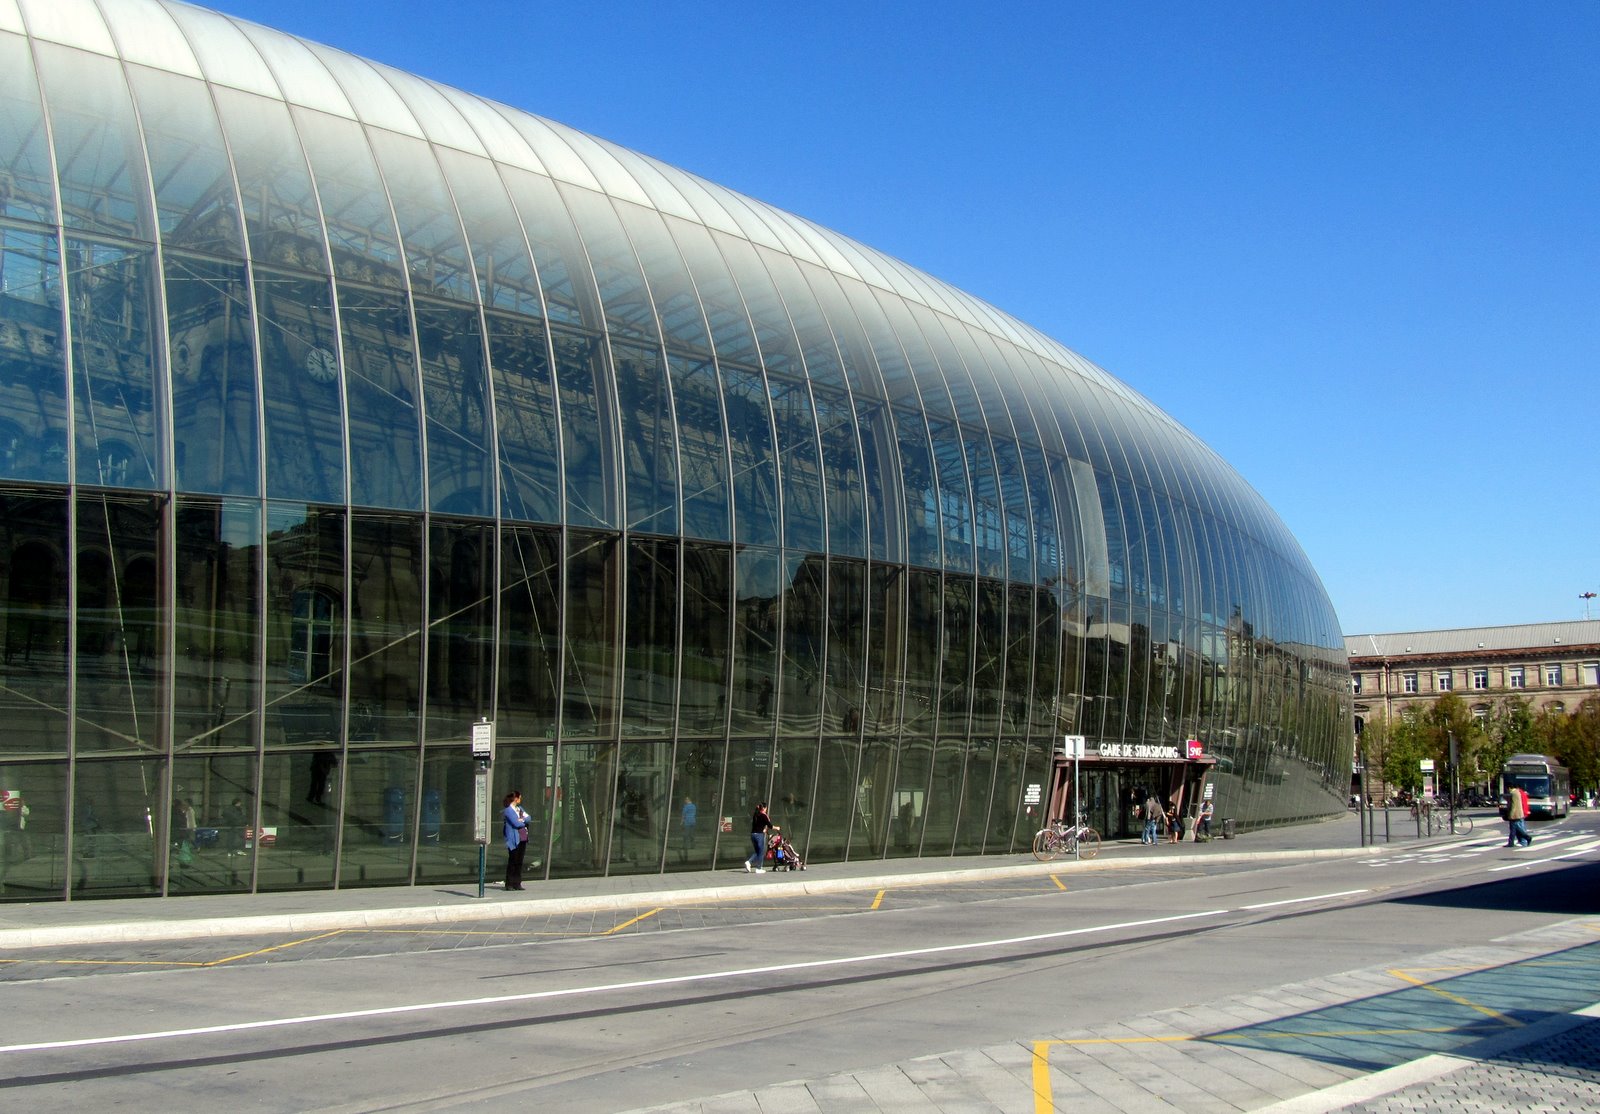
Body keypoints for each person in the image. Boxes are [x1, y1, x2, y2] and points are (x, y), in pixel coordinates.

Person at [503, 790, 530, 890]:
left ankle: (517, 883)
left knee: (519, 861)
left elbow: (528, 818)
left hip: (522, 837)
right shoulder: (508, 810)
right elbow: (515, 823)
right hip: (514, 838)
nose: (520, 800)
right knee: (513, 860)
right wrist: (522, 821)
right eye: (519, 798)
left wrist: (521, 819)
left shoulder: (519, 808)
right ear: (515, 798)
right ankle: (509, 883)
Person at [745, 802, 772, 873]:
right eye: (766, 808)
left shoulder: (756, 814)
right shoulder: (763, 815)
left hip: (753, 835)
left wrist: (763, 829)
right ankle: (758, 868)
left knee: (758, 852)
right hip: (759, 835)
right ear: (764, 808)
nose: (766, 810)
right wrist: (777, 828)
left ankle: (749, 862)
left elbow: (758, 824)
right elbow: (770, 825)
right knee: (761, 852)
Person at [679, 796, 697, 862]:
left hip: (687, 822)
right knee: (692, 834)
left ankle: (685, 846)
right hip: (693, 821)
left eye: (685, 800)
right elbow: (694, 814)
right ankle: (693, 846)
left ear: (687, 800)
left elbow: (683, 815)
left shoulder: (686, 807)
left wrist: (681, 822)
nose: (684, 801)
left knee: (685, 835)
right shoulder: (694, 806)